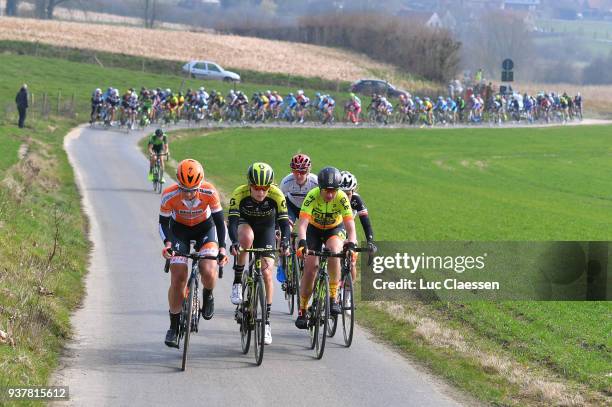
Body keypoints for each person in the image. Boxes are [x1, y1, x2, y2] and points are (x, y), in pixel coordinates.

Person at [159, 159, 228, 348]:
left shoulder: (209, 191)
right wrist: (168, 244)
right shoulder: (169, 195)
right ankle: (173, 327)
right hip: (179, 231)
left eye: (193, 189)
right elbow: (164, 224)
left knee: (208, 268)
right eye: (184, 189)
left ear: (200, 183)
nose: (189, 194)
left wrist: (222, 247)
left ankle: (208, 294)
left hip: (204, 229)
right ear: (178, 184)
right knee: (178, 276)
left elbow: (220, 223)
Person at [228, 163, 291, 345]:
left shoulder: (277, 195)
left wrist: (285, 241)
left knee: (266, 273)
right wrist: (234, 242)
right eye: (256, 188)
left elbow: (285, 223)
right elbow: (231, 222)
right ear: (249, 184)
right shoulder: (239, 193)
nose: (260, 192)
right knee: (246, 239)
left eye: (265, 188)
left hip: (266, 228)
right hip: (245, 223)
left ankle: (266, 322)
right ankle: (238, 281)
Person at [294, 167, 357, 329]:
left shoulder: (342, 197)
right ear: (320, 188)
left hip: (334, 229)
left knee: (335, 252)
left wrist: (352, 243)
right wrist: (302, 242)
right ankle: (302, 309)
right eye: (326, 191)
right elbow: (302, 224)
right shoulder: (312, 195)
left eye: (333, 191)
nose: (330, 195)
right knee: (310, 268)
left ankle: (333, 297)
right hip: (313, 230)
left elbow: (350, 224)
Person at [277, 154, 318, 282]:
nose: (299, 175)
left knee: (311, 233)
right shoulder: (286, 182)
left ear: (308, 170)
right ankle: (281, 262)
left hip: (309, 208)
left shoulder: (315, 182)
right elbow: (279, 202)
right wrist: (279, 223)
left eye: (302, 171)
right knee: (285, 230)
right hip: (291, 207)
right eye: (295, 171)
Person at [339, 171, 376, 282]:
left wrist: (370, 241)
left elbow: (366, 223)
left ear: (353, 191)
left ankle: (349, 294)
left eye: (348, 194)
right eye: (342, 193)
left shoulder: (356, 200)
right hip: (331, 229)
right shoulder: (330, 199)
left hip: (347, 230)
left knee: (352, 260)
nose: (345, 197)